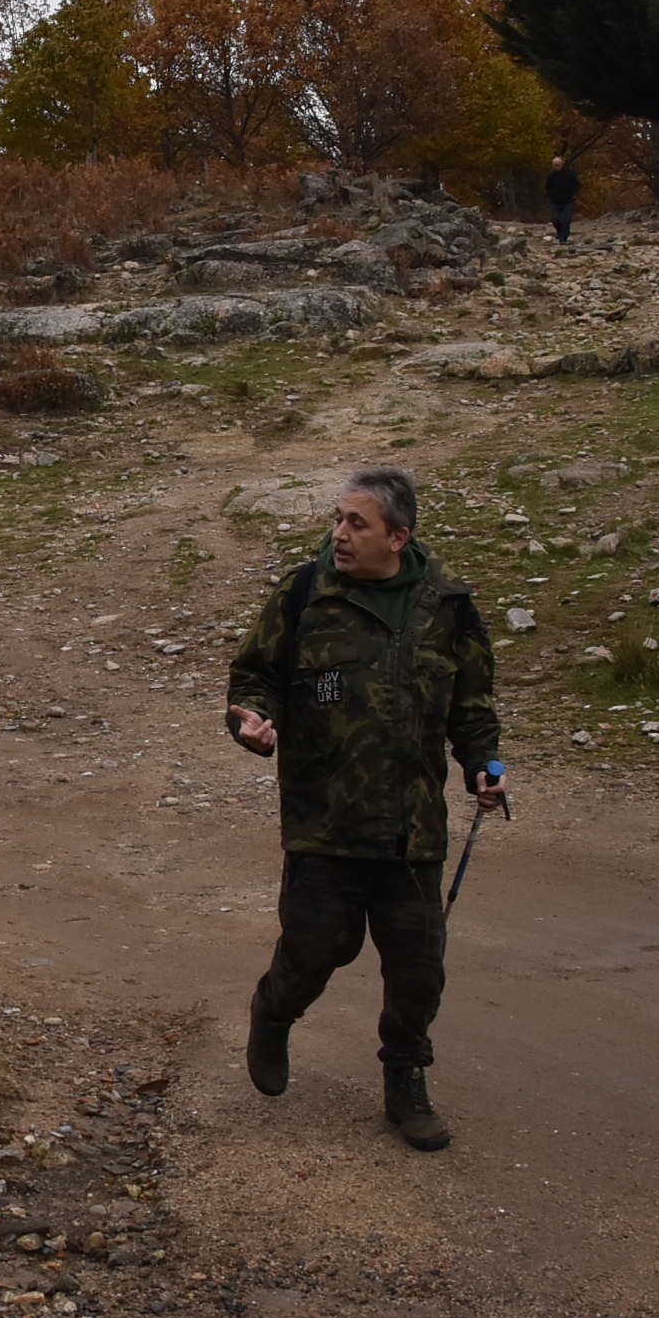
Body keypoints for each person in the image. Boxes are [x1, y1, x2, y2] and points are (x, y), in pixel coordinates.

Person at [227, 466, 504, 1154]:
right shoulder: (302, 594)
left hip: (413, 829)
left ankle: (405, 1084)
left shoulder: (449, 606)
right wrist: (252, 721)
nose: (339, 535)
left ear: (398, 537)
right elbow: (253, 677)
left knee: (418, 966)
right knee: (318, 948)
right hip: (325, 818)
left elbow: (472, 709)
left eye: (357, 524)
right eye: (338, 520)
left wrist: (484, 767)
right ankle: (275, 1011)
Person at [545, 154, 581, 245]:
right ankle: (560, 232)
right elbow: (548, 187)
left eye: (557, 165)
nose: (555, 167)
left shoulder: (570, 174)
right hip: (555, 201)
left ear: (561, 164)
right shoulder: (551, 176)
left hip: (568, 201)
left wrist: (574, 195)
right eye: (554, 165)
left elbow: (577, 185)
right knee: (555, 219)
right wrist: (550, 196)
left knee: (565, 220)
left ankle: (563, 238)